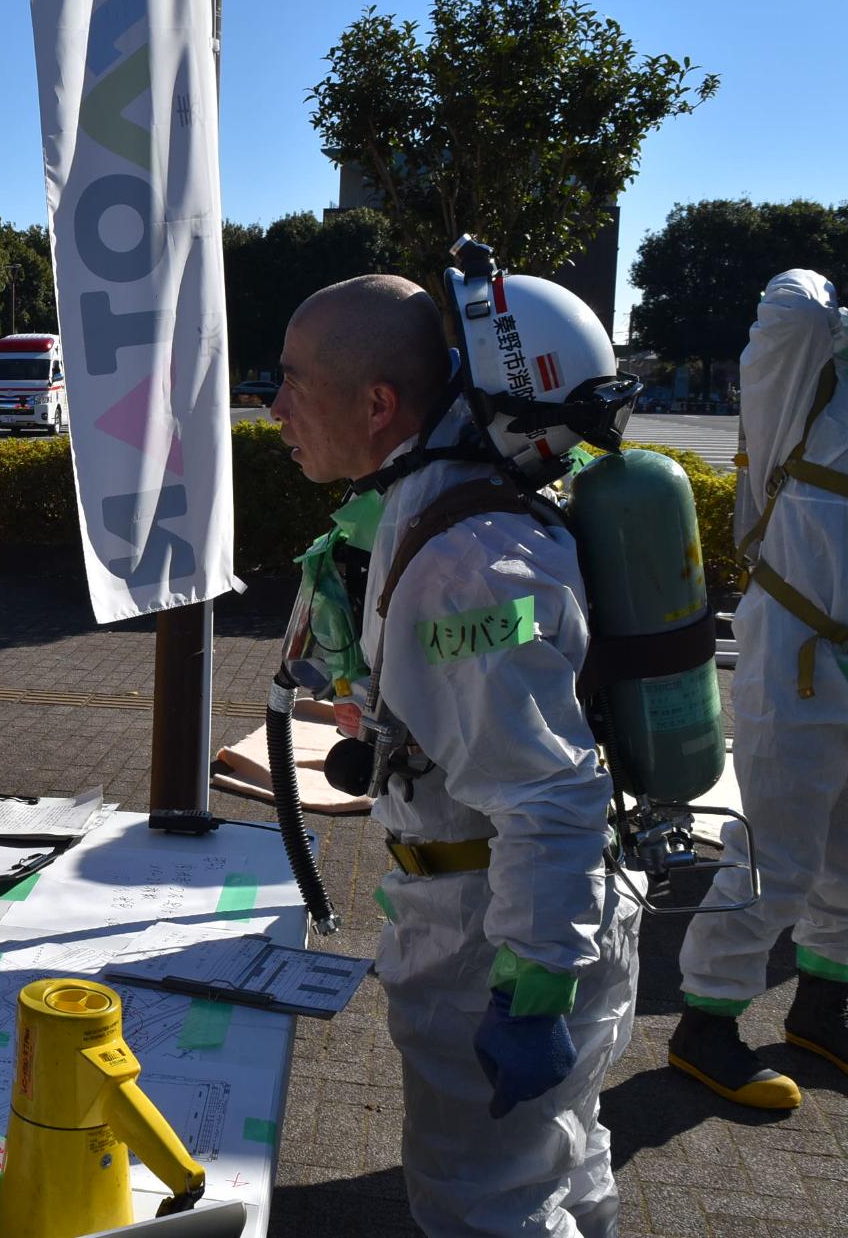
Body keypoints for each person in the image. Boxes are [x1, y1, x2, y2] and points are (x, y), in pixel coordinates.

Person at [272, 258, 641, 1236]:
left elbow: (551, 795)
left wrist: (531, 989)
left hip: (496, 946)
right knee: (565, 1171)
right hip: (497, 916)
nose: (274, 409)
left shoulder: (466, 561)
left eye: (290, 382)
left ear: (378, 401)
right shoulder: (431, 502)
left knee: (485, 1205)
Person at [666, 269, 848, 1110]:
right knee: (777, 857)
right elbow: (787, 303)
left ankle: (821, 1008)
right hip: (799, 658)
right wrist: (836, 286)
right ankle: (705, 1022)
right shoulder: (816, 367)